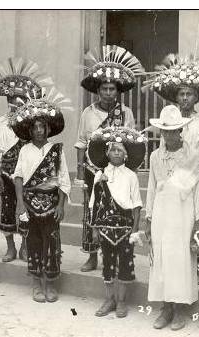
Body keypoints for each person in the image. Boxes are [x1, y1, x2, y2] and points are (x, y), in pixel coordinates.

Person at [144, 53, 199, 284]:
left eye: (189, 94)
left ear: (196, 97)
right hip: (172, 181)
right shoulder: (170, 123)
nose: (185, 98)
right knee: (177, 225)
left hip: (196, 179)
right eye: (181, 94)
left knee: (194, 223)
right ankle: (178, 266)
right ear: (176, 97)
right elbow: (163, 155)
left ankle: (195, 267)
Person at [75, 45, 144, 272]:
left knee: (115, 210)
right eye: (104, 88)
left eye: (111, 89)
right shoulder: (88, 113)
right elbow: (81, 143)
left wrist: (130, 169)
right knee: (92, 210)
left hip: (117, 169)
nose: (107, 93)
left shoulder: (126, 113)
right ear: (98, 90)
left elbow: (132, 143)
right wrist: (80, 173)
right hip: (93, 169)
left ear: (118, 90)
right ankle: (92, 255)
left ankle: (112, 254)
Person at [0, 57, 54, 262]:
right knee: (7, 210)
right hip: (5, 174)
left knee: (25, 209)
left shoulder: (30, 124)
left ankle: (24, 246)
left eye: (18, 99)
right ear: (7, 101)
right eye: (11, 99)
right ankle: (10, 247)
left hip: (26, 175)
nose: (14, 103)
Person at [146, 105, 199, 331]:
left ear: (181, 131)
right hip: (162, 212)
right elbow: (152, 187)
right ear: (161, 133)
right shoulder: (154, 157)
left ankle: (180, 309)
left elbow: (198, 191)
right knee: (161, 260)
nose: (169, 135)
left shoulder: (193, 156)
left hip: (183, 214)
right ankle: (166, 308)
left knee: (180, 260)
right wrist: (148, 217)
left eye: (174, 131)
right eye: (165, 131)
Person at [12, 89, 72, 303]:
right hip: (29, 203)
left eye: (42, 126)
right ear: (30, 130)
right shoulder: (24, 150)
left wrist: (61, 205)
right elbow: (18, 177)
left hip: (51, 202)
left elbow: (64, 179)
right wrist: (20, 203)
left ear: (48, 128)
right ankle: (36, 285)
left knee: (52, 243)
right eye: (35, 127)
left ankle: (51, 284)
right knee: (34, 243)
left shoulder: (56, 150)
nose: (39, 130)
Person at [86, 126, 146, 318]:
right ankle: (109, 299)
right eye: (113, 149)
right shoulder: (99, 174)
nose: (116, 153)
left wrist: (134, 230)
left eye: (120, 150)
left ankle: (121, 302)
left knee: (125, 264)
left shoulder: (131, 176)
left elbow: (136, 205)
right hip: (105, 228)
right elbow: (93, 204)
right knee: (108, 265)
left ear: (126, 155)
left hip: (125, 228)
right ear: (107, 152)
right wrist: (95, 229)